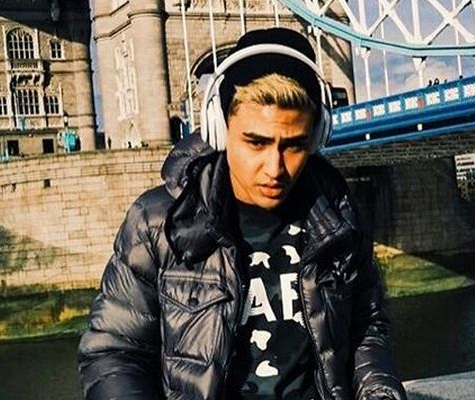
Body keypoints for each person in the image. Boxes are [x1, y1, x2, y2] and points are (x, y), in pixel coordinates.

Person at [78, 27, 407, 400]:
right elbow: (114, 353)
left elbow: (367, 327)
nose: (275, 168)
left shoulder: (340, 217)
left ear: (318, 137)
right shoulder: (158, 223)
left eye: (294, 145)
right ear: (219, 130)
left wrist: (379, 392)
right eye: (256, 142)